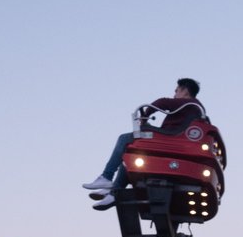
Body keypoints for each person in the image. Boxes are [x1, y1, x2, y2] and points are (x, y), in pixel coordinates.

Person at [82, 78, 206, 210]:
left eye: (176, 91)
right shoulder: (190, 108)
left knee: (124, 139)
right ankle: (114, 191)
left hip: (169, 138)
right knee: (131, 154)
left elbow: (162, 102)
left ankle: (106, 177)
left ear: (185, 90)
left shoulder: (190, 104)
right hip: (170, 138)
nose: (174, 94)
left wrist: (145, 115)